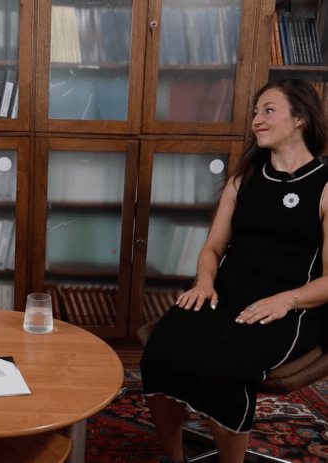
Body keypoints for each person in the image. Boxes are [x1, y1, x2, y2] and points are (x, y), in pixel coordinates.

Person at [140, 78, 328, 463]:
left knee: (224, 367)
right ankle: (172, 458)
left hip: (292, 309)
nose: (257, 120)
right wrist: (204, 281)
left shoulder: (325, 187)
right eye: (255, 112)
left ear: (301, 118)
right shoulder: (242, 181)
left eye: (268, 110)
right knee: (159, 351)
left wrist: (286, 300)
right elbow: (212, 249)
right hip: (226, 295)